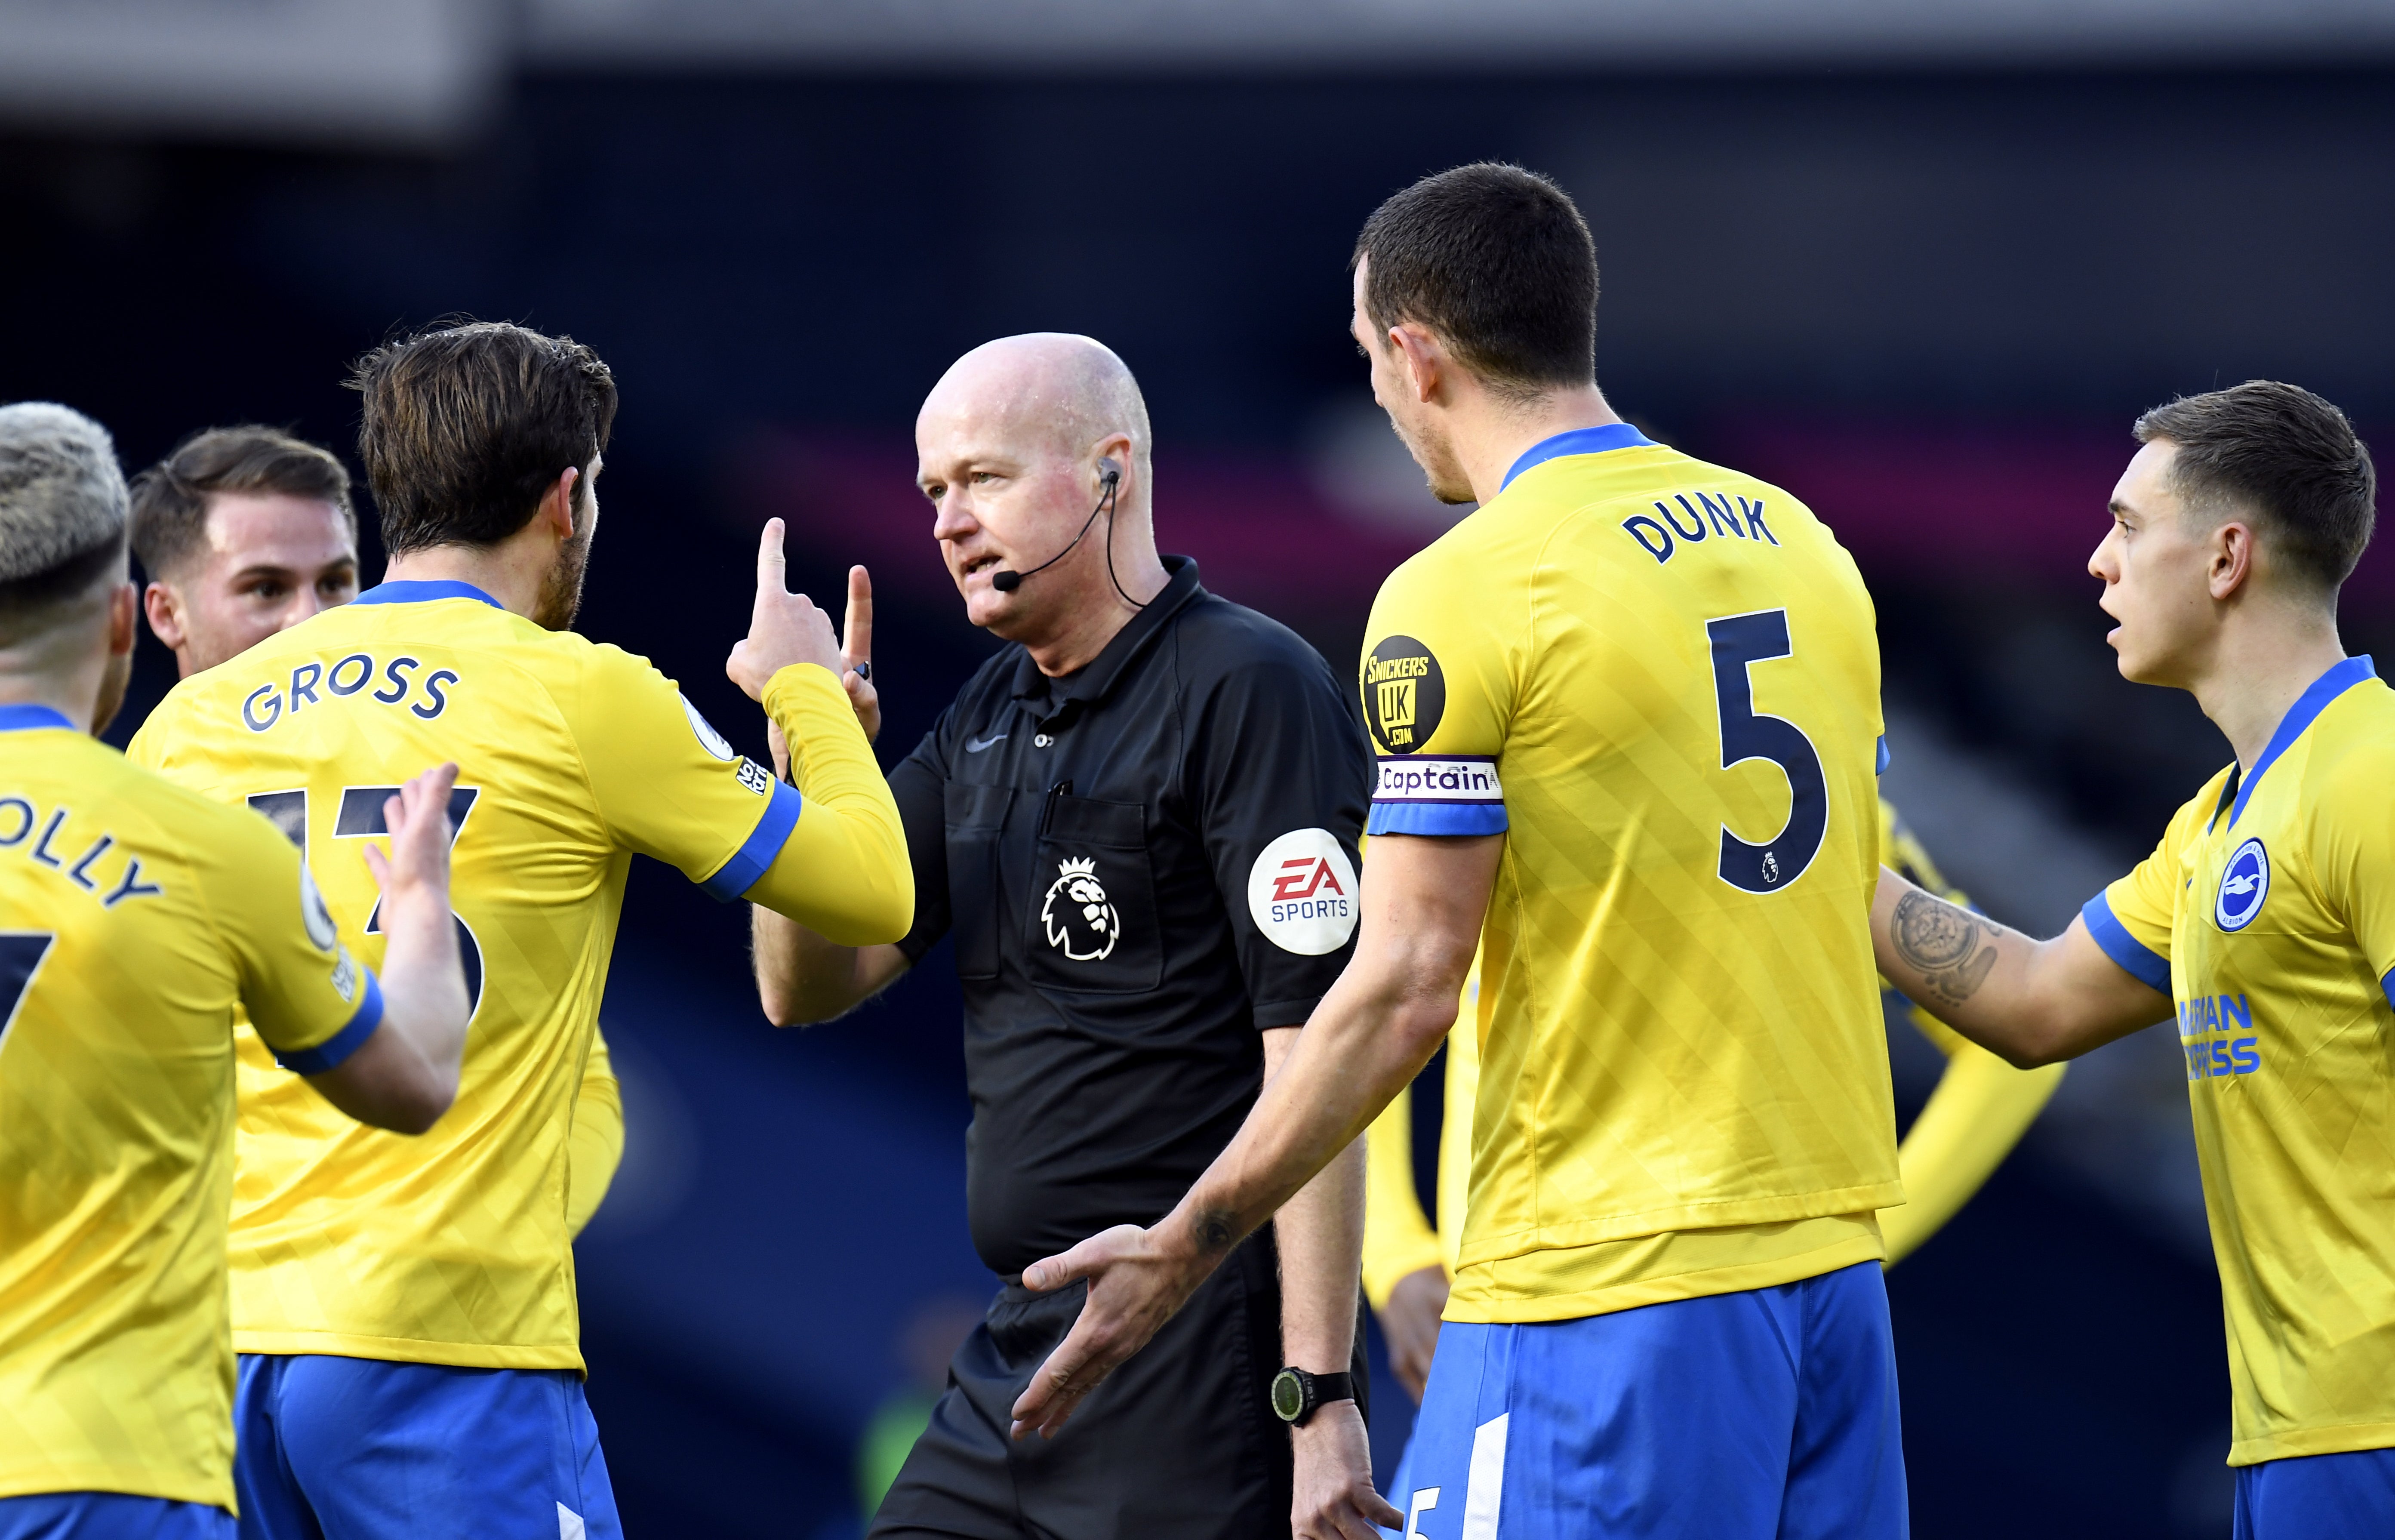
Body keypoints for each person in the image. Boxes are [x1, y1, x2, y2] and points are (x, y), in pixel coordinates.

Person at [1010, 164, 1910, 1540]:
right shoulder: (1808, 547)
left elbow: (1411, 975)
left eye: (1370, 356)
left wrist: (1192, 1238)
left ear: (1419, 354)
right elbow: (1854, 888)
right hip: (1833, 1282)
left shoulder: (1464, 589)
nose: (1374, 390)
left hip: (1598, 1288)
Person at [128, 321, 913, 1540]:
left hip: (206, 1356)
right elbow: (873, 887)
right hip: (435, 1346)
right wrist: (805, 690)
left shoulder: (192, 722)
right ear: (567, 497)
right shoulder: (581, 691)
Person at [751, 333, 1382, 1539]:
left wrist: (1320, 1398)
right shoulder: (990, 710)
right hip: (1019, 1361)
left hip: (1194, 1353)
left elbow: (1320, 1059)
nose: (946, 522)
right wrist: (803, 766)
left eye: (982, 479)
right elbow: (811, 985)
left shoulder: (1248, 685)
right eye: (933, 492)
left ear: (1110, 472)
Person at [1868, 381, 2392, 1540]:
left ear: (2226, 557)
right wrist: (1805, 860)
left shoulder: (2374, 778)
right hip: (2294, 1431)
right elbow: (2034, 1001)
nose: (2098, 563)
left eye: (2128, 526)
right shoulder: (2215, 822)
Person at [0, 402, 471, 1538]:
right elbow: (411, 1075)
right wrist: (414, 901)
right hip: (102, 1469)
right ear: (127, 624)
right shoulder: (208, 846)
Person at [1361, 798, 2066, 1403]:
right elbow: (1372, 1012)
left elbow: (2011, 1055)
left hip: (1678, 1354)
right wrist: (1394, 1253)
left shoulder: (1809, 808)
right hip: (1490, 1337)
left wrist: (1839, 1253)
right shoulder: (1469, 774)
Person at [128, 423, 627, 1238]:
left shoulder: (442, 804)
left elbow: (584, 1084)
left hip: (379, 1326)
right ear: (166, 614)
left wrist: (461, 1254)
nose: (312, 620)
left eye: (335, 583)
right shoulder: (129, 812)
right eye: (264, 590)